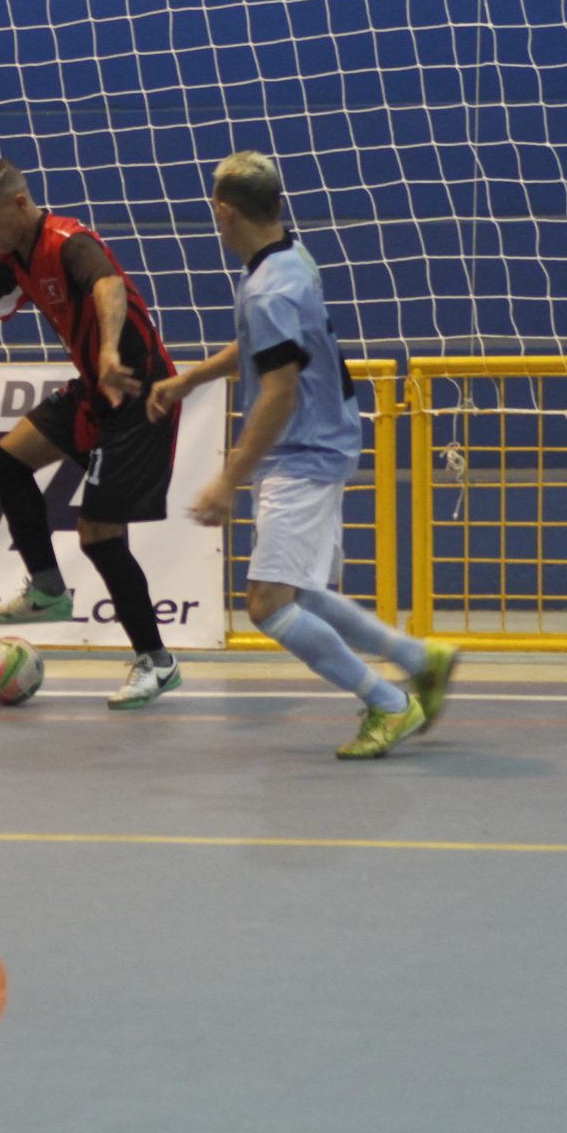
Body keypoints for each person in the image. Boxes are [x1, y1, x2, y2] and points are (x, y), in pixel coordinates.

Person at [148, 151, 457, 758]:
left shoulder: (271, 289)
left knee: (266, 605)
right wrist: (191, 380)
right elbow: (261, 348)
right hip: (320, 442)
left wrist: (227, 480)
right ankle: (422, 659)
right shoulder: (288, 257)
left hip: (304, 452)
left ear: (224, 211)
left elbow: (280, 392)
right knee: (303, 594)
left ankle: (389, 704)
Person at [0, 157, 184, 709]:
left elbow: (109, 285)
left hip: (140, 395)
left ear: (20, 204)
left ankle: (157, 662)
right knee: (9, 459)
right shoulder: (14, 258)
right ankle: (47, 588)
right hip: (95, 390)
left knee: (99, 534)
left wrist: (111, 350)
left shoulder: (69, 241)